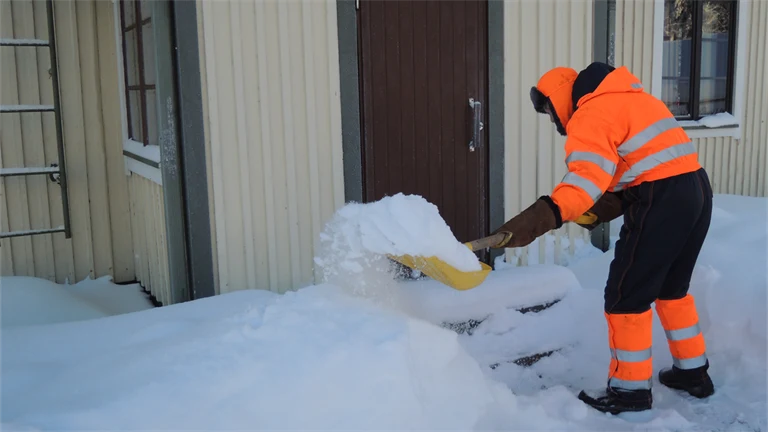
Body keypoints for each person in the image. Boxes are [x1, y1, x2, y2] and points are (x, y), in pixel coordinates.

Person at [490, 62, 715, 414]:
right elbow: (642, 162)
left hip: (662, 198)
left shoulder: (589, 114)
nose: (554, 121)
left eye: (550, 111)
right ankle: (693, 373)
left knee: (625, 294)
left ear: (560, 98)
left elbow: (586, 178)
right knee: (672, 290)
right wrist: (611, 203)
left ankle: (629, 391)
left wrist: (540, 218)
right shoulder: (631, 97)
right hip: (696, 189)